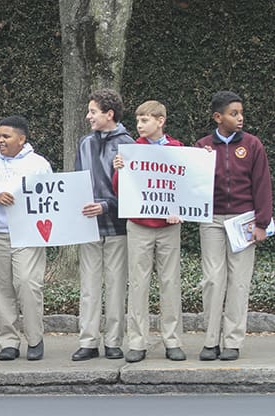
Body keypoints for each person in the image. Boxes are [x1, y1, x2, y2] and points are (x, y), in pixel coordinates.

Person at [195, 91, 272, 361]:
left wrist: (262, 223)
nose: (240, 118)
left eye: (240, 113)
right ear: (218, 117)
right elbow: (192, 184)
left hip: (244, 220)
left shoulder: (253, 145)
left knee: (239, 282)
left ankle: (233, 341)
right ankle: (210, 341)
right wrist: (200, 161)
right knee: (213, 280)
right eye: (233, 114)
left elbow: (262, 184)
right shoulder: (203, 146)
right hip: (212, 220)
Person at [112, 101, 186, 363]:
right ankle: (137, 342)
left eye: (144, 120)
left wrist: (182, 210)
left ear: (160, 121)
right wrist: (119, 170)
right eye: (138, 120)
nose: (139, 125)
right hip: (139, 224)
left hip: (168, 226)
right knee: (139, 284)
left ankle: (173, 340)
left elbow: (187, 186)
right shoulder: (131, 151)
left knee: (170, 283)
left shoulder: (178, 149)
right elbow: (121, 191)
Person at [0, 116, 51, 361]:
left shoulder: (38, 164)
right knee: (2, 289)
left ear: (22, 139)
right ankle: (8, 342)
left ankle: (35, 339)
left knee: (28, 284)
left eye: (6, 136)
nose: (0, 140)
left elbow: (50, 197)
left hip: (29, 234)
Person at [72, 89, 135, 362]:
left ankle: (113, 341)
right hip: (89, 226)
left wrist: (107, 206)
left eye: (93, 112)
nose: (88, 116)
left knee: (116, 285)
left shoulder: (129, 144)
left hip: (118, 226)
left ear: (109, 114)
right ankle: (87, 341)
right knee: (88, 286)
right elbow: (75, 183)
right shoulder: (84, 143)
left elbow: (134, 191)